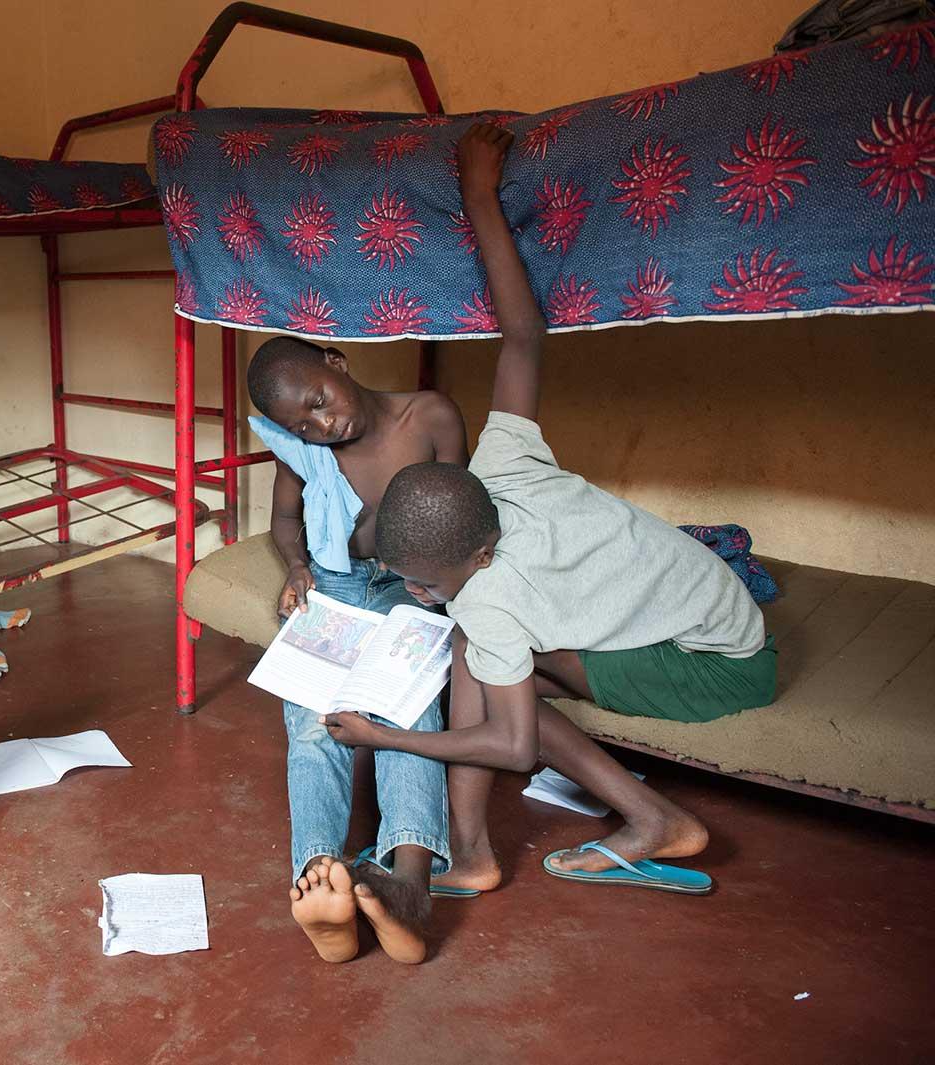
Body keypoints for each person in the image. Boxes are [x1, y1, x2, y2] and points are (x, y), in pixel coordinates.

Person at [322, 122, 777, 896]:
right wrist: (480, 195)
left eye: (426, 582)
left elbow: (511, 747)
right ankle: (471, 851)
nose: (419, 593)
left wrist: (385, 736)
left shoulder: (489, 597)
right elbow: (524, 338)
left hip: (717, 666)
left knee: (483, 662)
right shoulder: (504, 462)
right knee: (479, 655)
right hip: (711, 612)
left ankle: (651, 819)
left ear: (479, 555)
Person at [246, 325, 467, 963]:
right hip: (335, 582)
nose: (322, 426)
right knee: (314, 721)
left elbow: (457, 514)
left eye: (319, 402)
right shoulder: (301, 446)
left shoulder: (429, 417)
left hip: (409, 583)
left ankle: (409, 889)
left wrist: (435, 581)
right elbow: (285, 520)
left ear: (337, 362)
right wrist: (296, 568)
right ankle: (323, 880)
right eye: (303, 425)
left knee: (407, 711)